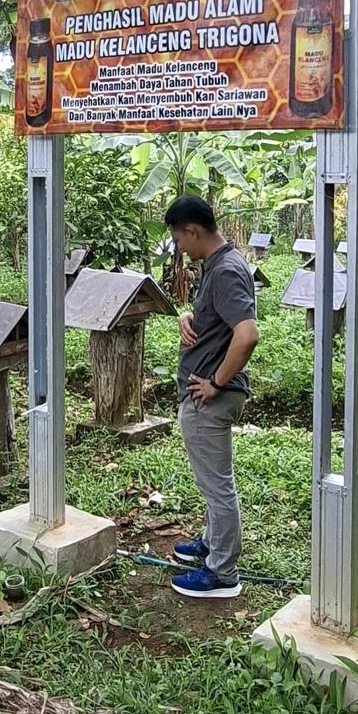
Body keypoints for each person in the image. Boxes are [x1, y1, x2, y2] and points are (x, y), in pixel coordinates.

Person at [163, 195, 260, 599]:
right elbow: (221, 319)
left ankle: (222, 573)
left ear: (193, 231)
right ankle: (211, 541)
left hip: (210, 399)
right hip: (207, 395)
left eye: (178, 240)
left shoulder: (226, 270)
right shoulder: (218, 264)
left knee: (218, 487)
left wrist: (216, 383)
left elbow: (247, 335)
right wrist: (190, 316)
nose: (179, 248)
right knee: (212, 482)